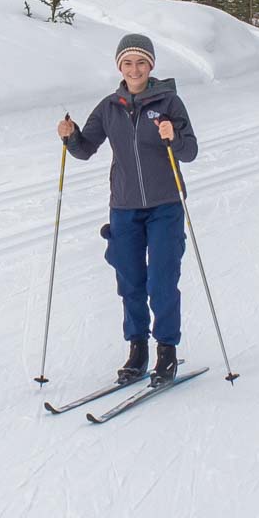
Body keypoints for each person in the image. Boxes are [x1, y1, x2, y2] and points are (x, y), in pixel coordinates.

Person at [57, 34, 198, 387]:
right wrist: (70, 136)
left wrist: (173, 135)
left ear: (151, 66)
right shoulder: (110, 106)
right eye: (128, 62)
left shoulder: (169, 102)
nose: (134, 69)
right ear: (119, 66)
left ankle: (166, 350)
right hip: (124, 207)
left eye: (141, 62)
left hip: (165, 205)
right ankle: (138, 350)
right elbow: (85, 149)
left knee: (162, 281)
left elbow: (190, 151)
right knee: (130, 282)